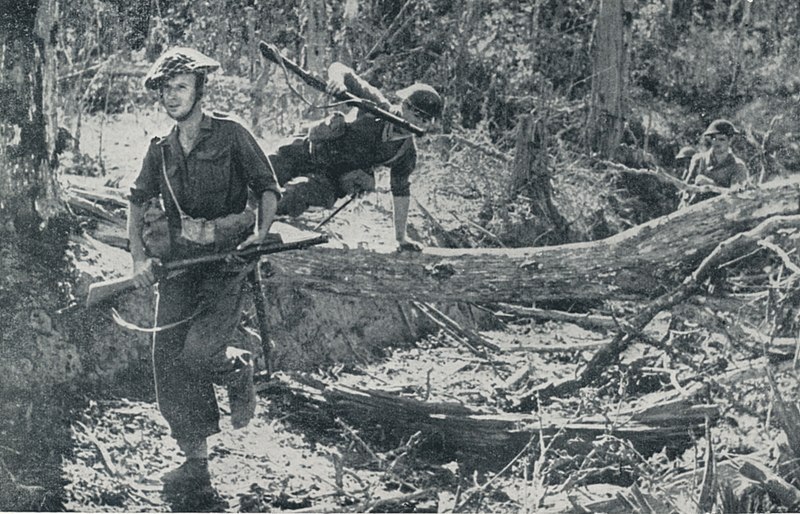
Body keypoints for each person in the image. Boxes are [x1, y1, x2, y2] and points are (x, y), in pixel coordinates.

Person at [127, 47, 281, 507]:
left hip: (226, 265)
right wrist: (138, 256)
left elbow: (268, 187)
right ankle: (196, 464)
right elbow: (137, 200)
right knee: (166, 363)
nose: (171, 97)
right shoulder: (161, 148)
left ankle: (236, 367)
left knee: (197, 354)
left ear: (199, 90)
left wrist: (261, 234)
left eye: (180, 87)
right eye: (165, 89)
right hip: (178, 269)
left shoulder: (232, 135)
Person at [268, 62, 443, 251]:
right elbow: (340, 68)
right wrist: (337, 82)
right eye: (416, 113)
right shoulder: (376, 105)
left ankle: (254, 233)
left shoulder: (405, 153)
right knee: (259, 172)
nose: (419, 122)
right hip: (305, 151)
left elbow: (400, 192)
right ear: (404, 105)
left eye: (425, 120)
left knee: (292, 195)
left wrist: (401, 238)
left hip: (328, 182)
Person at [681, 119, 749, 205]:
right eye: (713, 138)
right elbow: (686, 189)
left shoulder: (738, 166)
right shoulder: (699, 160)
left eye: (721, 139)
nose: (717, 142)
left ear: (730, 140)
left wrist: (710, 185)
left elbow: (737, 196)